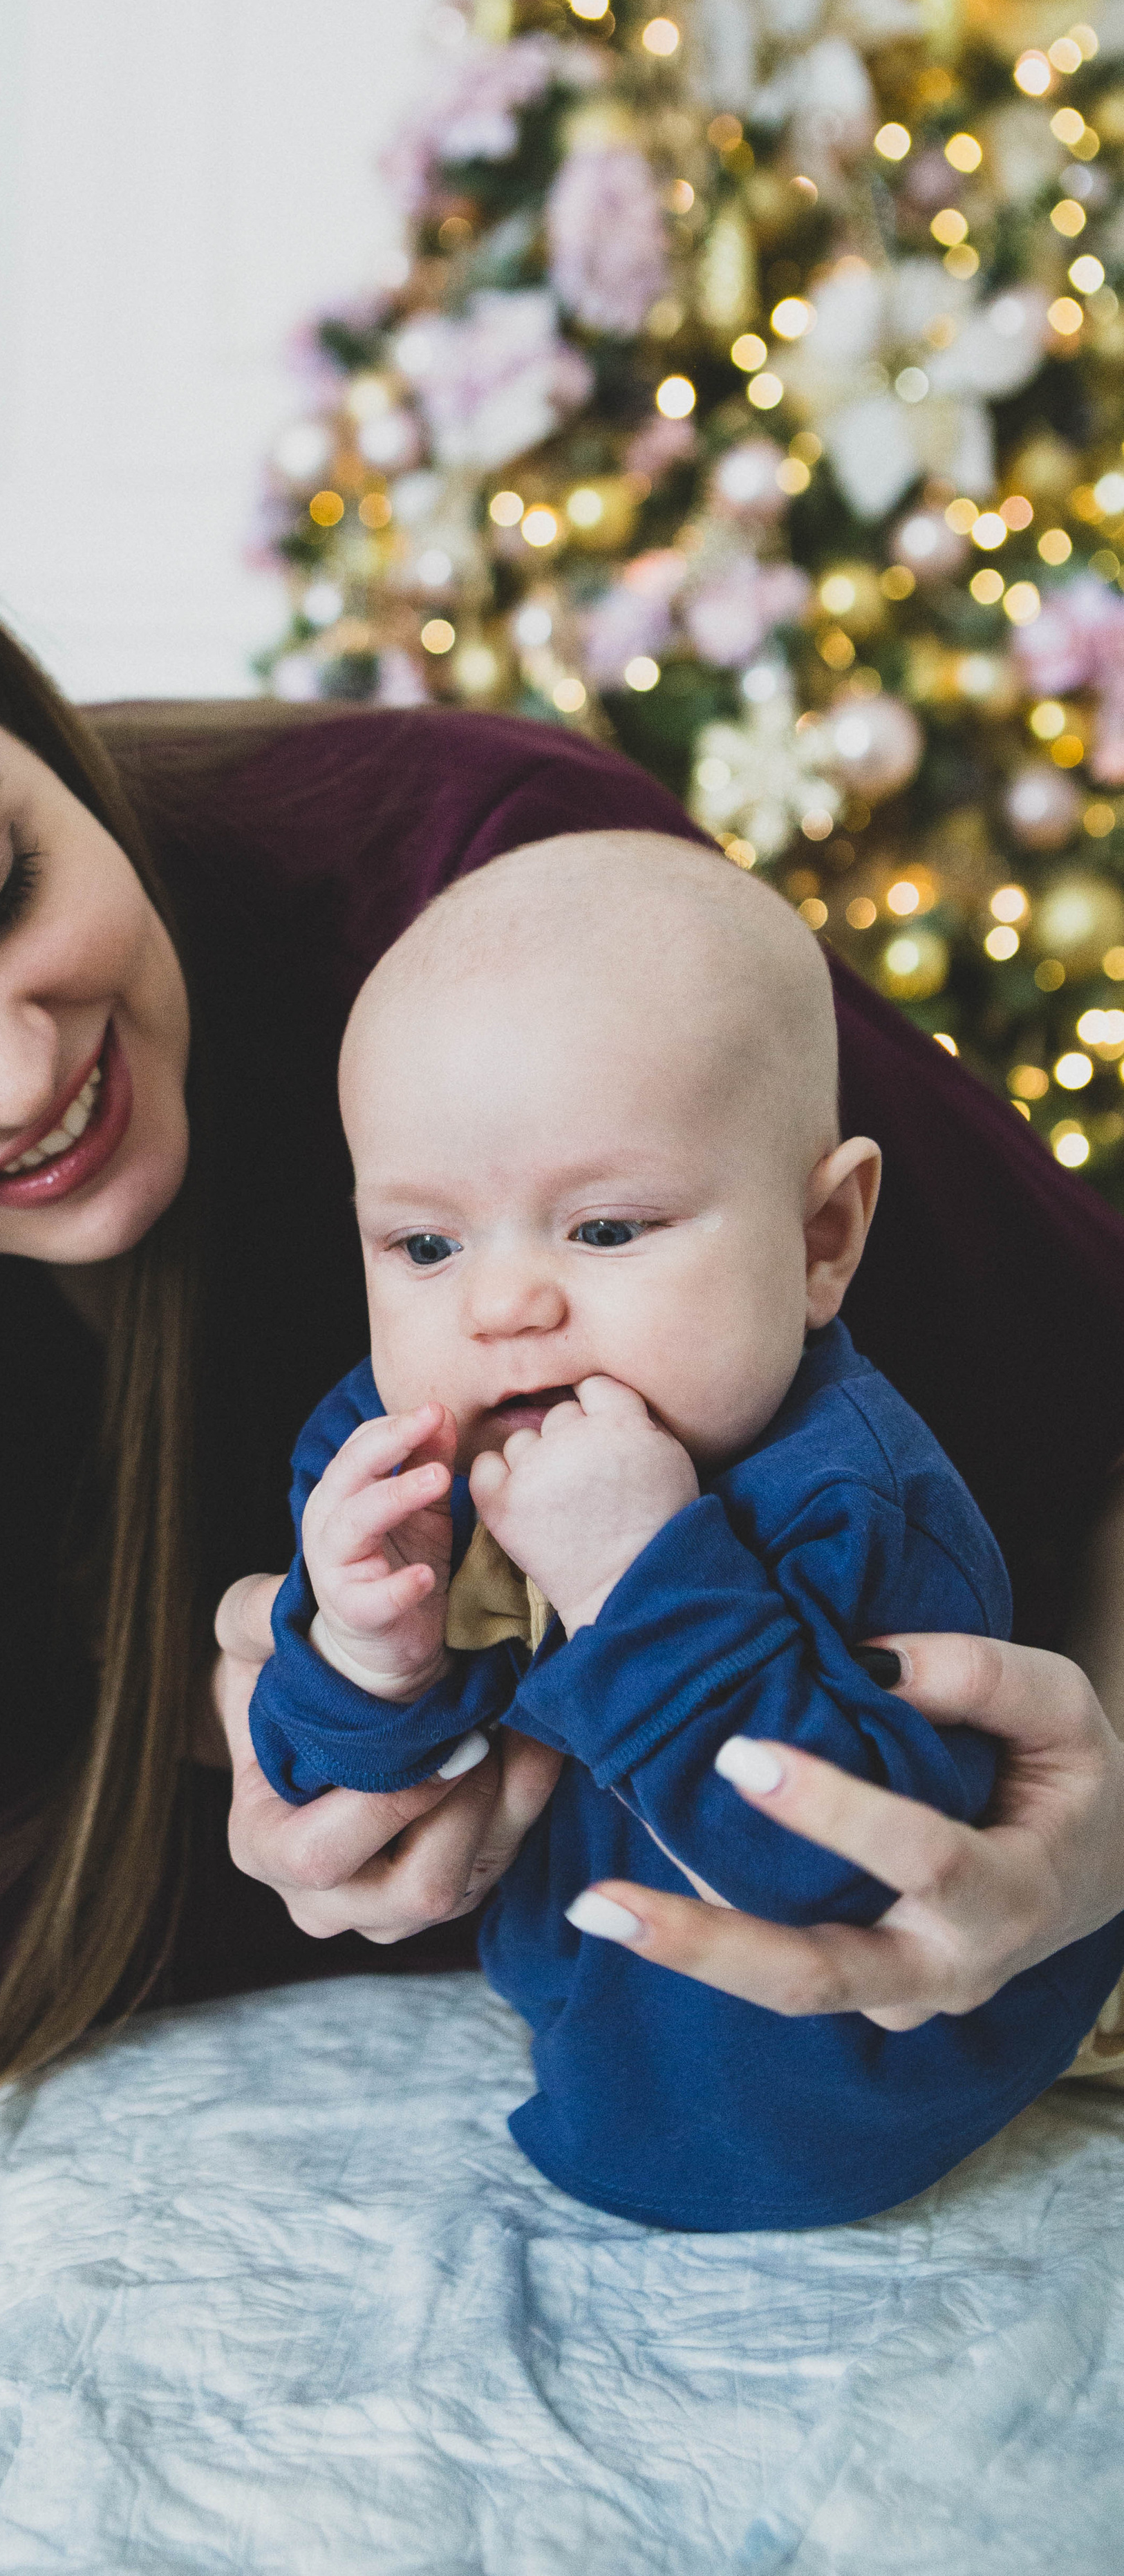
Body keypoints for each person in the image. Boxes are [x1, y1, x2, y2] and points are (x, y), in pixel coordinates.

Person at [0, 475, 1122, 2576]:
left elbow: (1081, 1348)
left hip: (722, 1712)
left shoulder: (515, 926)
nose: (8, 1076)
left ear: (17, 716)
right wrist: (270, 1723)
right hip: (181, 1681)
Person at [246, 833, 1124, 2230]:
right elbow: (324, 1786)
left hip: (822, 2088)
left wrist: (632, 1577)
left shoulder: (850, 1501)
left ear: (819, 1238)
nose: (501, 1307)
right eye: (423, 1247)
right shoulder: (400, 1447)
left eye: (602, 1229)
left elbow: (845, 1882)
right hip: (591, 1994)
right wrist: (361, 1653)